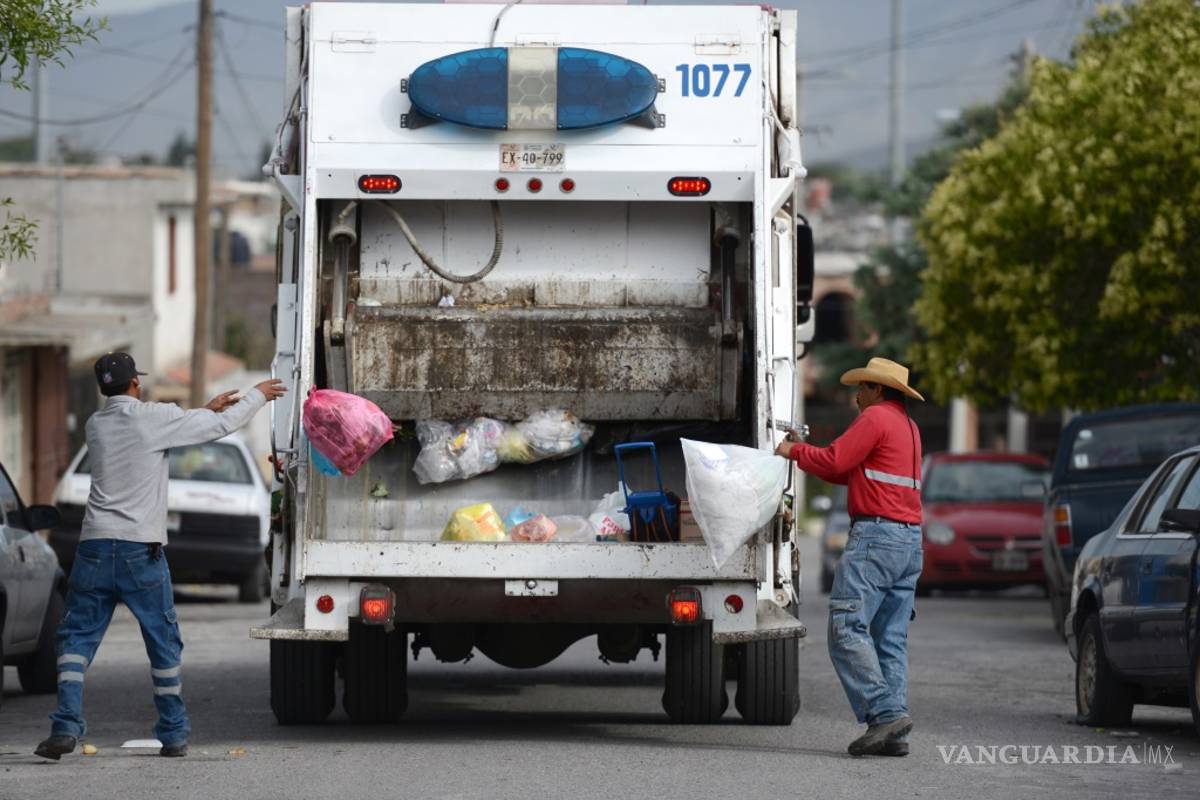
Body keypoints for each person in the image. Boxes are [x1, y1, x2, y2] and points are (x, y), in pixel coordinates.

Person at [35, 353, 286, 761]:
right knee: (162, 643)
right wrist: (256, 395)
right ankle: (172, 733)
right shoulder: (155, 418)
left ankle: (64, 726)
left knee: (76, 640)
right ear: (136, 383)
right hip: (140, 552)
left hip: (94, 549)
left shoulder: (96, 426)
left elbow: (165, 429)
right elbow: (218, 426)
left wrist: (202, 410)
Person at [776, 357, 924, 757]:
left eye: (861, 386)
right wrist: (805, 452)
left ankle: (885, 713)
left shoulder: (874, 419)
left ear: (878, 389)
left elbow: (837, 461)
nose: (856, 394)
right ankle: (894, 733)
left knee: (846, 628)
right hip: (908, 542)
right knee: (889, 639)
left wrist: (791, 450)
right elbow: (848, 471)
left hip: (876, 538)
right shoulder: (907, 426)